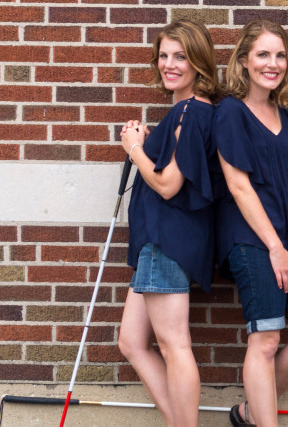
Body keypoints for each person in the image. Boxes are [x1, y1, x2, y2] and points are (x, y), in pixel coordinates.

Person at [212, 19, 288, 427]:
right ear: (243, 61)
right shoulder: (229, 113)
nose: (272, 64)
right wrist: (275, 247)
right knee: (266, 340)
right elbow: (238, 187)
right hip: (255, 241)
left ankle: (248, 413)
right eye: (263, 54)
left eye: (280, 55)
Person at [115, 19, 219, 427]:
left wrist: (135, 147)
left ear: (199, 62)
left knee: (174, 344)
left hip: (166, 240)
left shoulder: (191, 112)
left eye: (181, 56)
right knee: (131, 342)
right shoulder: (187, 112)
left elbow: (168, 184)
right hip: (157, 243)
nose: (170, 64)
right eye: (164, 55)